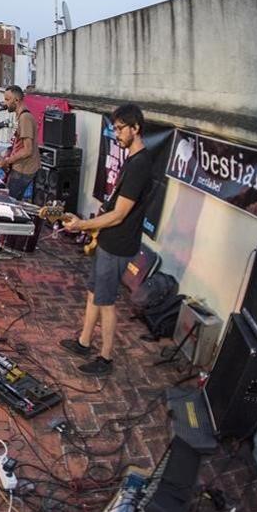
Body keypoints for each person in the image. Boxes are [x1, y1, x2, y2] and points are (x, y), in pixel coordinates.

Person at [59, 104, 153, 377]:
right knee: (94, 293)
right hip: (109, 242)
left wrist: (83, 225)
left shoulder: (140, 165)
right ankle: (84, 342)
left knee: (107, 302)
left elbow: (119, 215)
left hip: (118, 244)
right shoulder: (133, 161)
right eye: (114, 128)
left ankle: (106, 358)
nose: (116, 134)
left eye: (120, 128)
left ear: (136, 128)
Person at [0, 85, 40, 201]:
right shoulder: (20, 117)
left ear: (17, 100)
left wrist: (7, 161)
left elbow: (27, 150)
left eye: (7, 99)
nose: (5, 103)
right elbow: (18, 145)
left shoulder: (25, 118)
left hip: (23, 169)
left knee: (10, 203)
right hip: (18, 168)